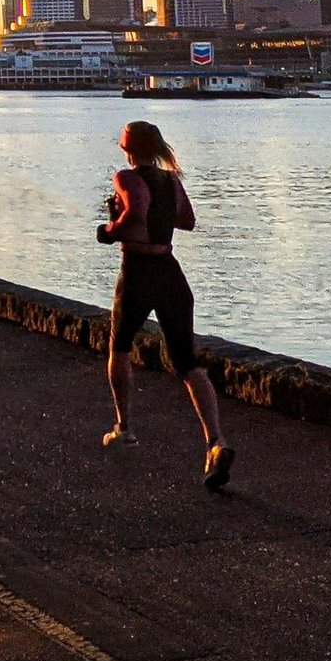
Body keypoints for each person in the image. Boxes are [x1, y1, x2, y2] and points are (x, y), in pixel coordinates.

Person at [96, 120, 235, 490]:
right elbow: (186, 220)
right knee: (187, 362)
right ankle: (215, 442)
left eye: (122, 142)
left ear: (131, 149)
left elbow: (137, 212)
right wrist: (153, 217)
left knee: (120, 347)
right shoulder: (171, 180)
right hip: (170, 272)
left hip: (139, 271)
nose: (121, 147)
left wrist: (110, 231)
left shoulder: (125, 177)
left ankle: (124, 427)